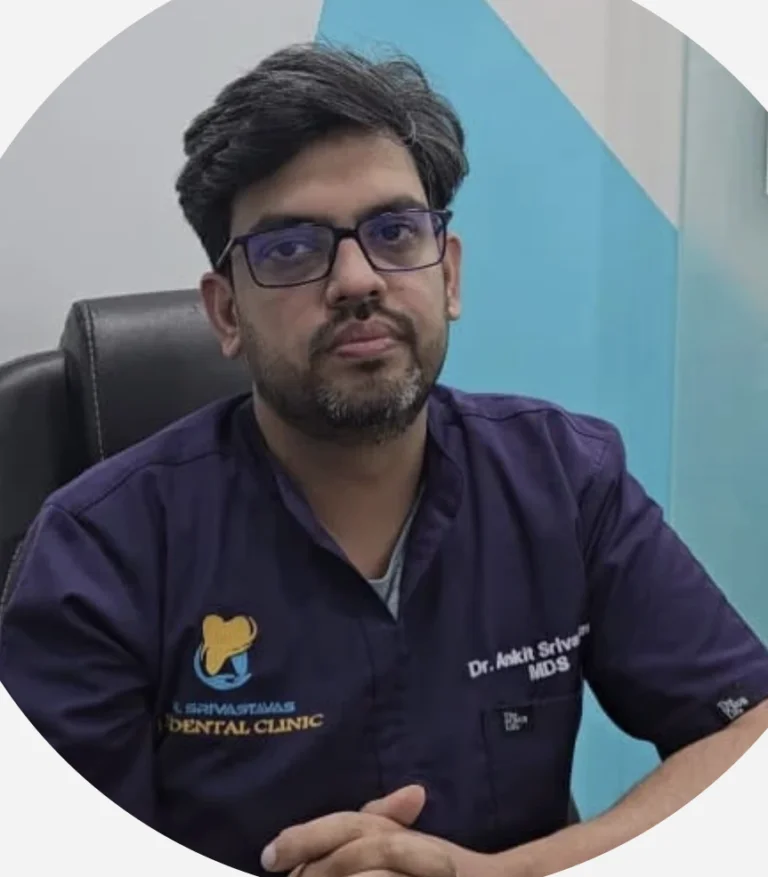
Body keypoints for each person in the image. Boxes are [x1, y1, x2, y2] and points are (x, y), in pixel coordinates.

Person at [1, 42, 767, 877]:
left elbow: (747, 732)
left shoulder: (566, 478)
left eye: (396, 232)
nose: (358, 279)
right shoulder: (99, 549)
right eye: (290, 248)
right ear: (226, 313)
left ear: (450, 277)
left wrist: (492, 873)